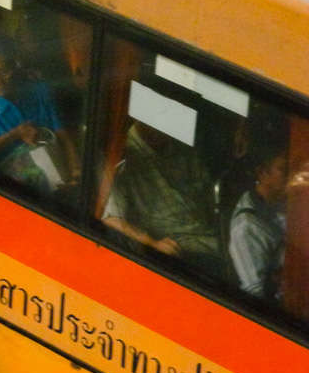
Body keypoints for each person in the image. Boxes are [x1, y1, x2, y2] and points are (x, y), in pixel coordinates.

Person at [101, 120, 220, 276]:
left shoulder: (180, 147)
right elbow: (109, 217)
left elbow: (206, 193)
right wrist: (153, 243)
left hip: (208, 231)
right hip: (176, 244)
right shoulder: (123, 155)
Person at [0, 42, 78, 193]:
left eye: (4, 72)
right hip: (10, 183)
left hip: (55, 162)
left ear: (14, 69)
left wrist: (76, 171)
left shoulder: (39, 90)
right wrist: (14, 135)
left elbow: (62, 134)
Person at [229, 144, 289, 301]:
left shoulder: (281, 202)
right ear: (261, 172)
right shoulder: (247, 227)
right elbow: (255, 293)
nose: (292, 176)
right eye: (284, 170)